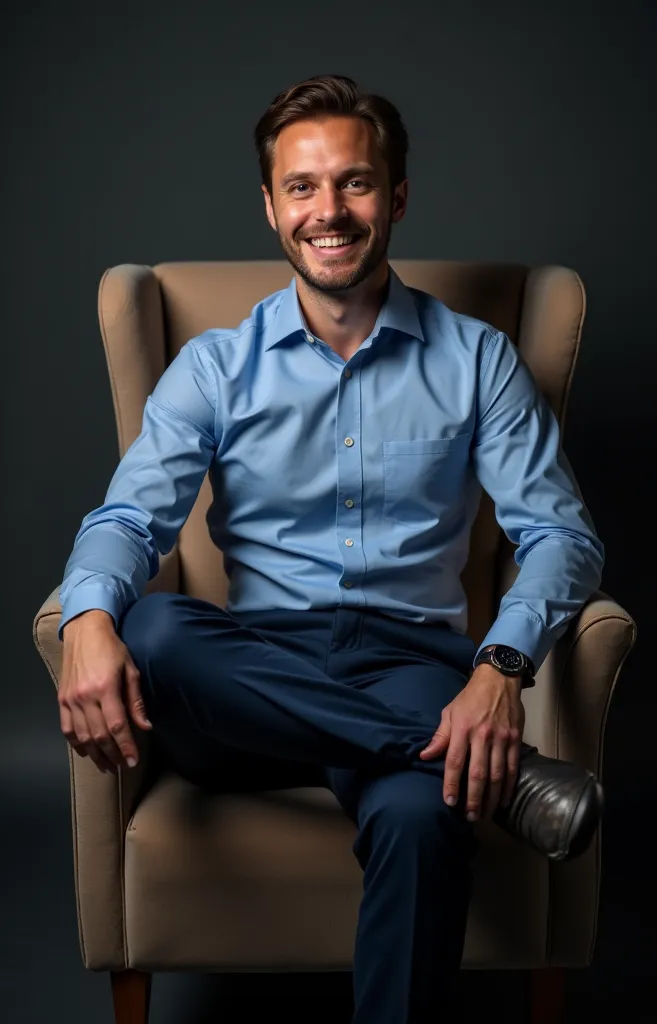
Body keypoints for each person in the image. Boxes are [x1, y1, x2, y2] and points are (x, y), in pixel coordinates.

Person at [56, 74, 605, 1023]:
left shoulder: (477, 358)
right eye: (303, 187)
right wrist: (87, 615)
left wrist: (500, 666)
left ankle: (422, 760)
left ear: (394, 198)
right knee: (152, 626)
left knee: (422, 817)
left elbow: (561, 537)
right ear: (271, 207)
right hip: (248, 681)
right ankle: (489, 770)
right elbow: (129, 520)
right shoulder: (215, 367)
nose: (330, 211)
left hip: (409, 668)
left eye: (354, 183)